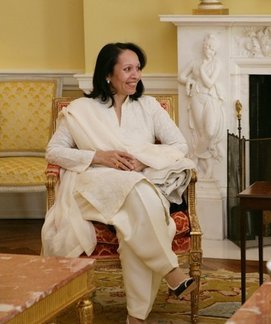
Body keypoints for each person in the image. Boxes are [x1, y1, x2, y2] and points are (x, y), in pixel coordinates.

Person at [41, 42, 197, 323]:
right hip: (93, 187)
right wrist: (98, 156)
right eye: (127, 69)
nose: (135, 75)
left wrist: (144, 160)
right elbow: (54, 151)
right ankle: (170, 271)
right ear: (107, 74)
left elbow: (179, 145)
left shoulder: (149, 107)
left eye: (137, 68)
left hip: (140, 182)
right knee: (139, 196)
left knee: (134, 218)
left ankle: (135, 317)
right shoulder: (80, 108)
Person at [178, 33, 224, 179]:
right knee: (201, 133)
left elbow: (209, 83)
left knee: (209, 132)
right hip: (197, 98)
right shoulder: (195, 62)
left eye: (210, 47)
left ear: (215, 49)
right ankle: (208, 167)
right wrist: (189, 81)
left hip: (210, 98)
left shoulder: (217, 63)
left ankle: (196, 158)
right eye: (206, 46)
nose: (207, 48)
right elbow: (181, 77)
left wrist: (203, 69)